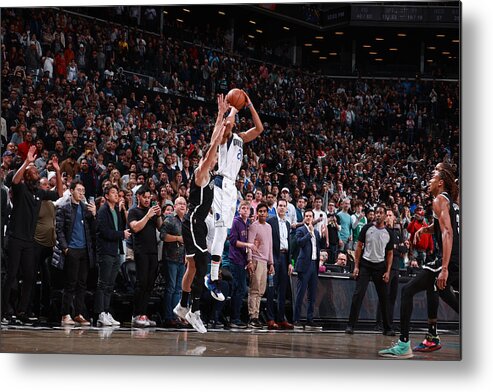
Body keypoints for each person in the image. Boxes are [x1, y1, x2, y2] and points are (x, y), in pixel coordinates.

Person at [379, 162, 460, 359]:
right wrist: (425, 229)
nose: (429, 180)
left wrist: (446, 267)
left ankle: (404, 344)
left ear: (440, 183)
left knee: (408, 290)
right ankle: (432, 336)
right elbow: (442, 226)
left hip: (450, 258)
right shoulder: (450, 200)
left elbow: (448, 232)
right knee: (436, 287)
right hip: (457, 256)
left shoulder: (439, 199)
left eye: (433, 177)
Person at [173, 94, 229, 333]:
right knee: (203, 264)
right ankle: (194, 311)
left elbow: (214, 143)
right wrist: (223, 118)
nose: (216, 158)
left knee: (193, 268)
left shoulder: (206, 172)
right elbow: (213, 145)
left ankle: (181, 306)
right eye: (213, 156)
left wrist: (220, 116)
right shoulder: (201, 172)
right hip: (193, 223)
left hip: (197, 225)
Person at [206, 90, 264, 301]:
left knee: (221, 234)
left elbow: (259, 128)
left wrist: (249, 105)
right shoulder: (226, 136)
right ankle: (212, 278)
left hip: (232, 189)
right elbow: (227, 126)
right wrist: (232, 108)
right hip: (221, 183)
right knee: (220, 233)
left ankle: (211, 274)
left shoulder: (240, 138)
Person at [2, 146, 63, 324]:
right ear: (28, 175)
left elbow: (59, 193)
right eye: (33, 170)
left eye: (36, 169)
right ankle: (4, 311)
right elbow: (14, 180)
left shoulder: (39, 192)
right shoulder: (20, 190)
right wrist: (27, 162)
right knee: (11, 275)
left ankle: (22, 311)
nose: (36, 171)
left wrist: (58, 171)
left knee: (29, 276)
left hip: (29, 241)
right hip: (14, 238)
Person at [345, 205, 395, 336]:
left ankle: (387, 328)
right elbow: (359, 247)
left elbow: (390, 253)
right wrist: (356, 266)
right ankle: (350, 326)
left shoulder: (389, 233)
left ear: (385, 216)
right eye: (376, 212)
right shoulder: (367, 228)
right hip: (366, 265)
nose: (378, 215)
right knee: (358, 295)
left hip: (380, 266)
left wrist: (388, 271)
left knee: (384, 298)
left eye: (380, 213)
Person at [56, 180, 97, 326]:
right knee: (70, 284)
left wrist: (94, 215)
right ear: (72, 190)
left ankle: (78, 313)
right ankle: (65, 314)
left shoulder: (85, 208)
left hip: (84, 251)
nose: (81, 193)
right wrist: (65, 248)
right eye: (79, 190)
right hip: (72, 250)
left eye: (83, 190)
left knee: (82, 284)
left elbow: (93, 230)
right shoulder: (64, 207)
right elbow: (59, 229)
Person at [94, 184, 131, 326]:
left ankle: (107, 311)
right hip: (106, 251)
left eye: (117, 193)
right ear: (106, 196)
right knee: (102, 283)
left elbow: (120, 227)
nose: (117, 195)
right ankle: (100, 313)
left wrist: (122, 212)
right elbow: (104, 232)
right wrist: (121, 234)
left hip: (116, 251)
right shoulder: (103, 211)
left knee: (110, 284)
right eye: (113, 193)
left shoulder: (116, 210)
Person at [127, 185, 163, 327]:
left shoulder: (152, 212)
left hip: (153, 250)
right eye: (145, 197)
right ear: (139, 197)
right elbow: (135, 227)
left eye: (149, 198)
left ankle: (143, 314)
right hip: (141, 251)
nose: (148, 200)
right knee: (141, 283)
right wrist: (147, 216)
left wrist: (158, 215)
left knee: (150, 284)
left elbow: (160, 227)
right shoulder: (133, 211)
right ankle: (136, 314)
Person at [293, 209, 324, 330]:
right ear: (304, 218)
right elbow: (299, 243)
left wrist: (322, 235)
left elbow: (319, 246)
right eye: (306, 216)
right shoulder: (300, 230)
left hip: (314, 264)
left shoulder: (316, 232)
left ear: (313, 217)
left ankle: (310, 319)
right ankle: (296, 319)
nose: (308, 218)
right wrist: (309, 233)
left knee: (312, 294)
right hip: (304, 265)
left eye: (310, 216)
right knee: (300, 293)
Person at [266, 198, 294, 329]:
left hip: (285, 257)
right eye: (280, 206)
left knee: (283, 290)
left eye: (284, 206)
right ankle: (270, 319)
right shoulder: (270, 221)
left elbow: (289, 243)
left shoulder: (288, 224)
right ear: (276, 208)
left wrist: (290, 262)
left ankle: (281, 318)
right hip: (274, 257)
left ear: (287, 209)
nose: (282, 208)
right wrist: (269, 260)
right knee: (272, 289)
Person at [159, 196, 187, 328]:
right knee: (170, 288)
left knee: (178, 289)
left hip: (182, 259)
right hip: (170, 258)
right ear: (174, 207)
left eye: (184, 204)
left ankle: (176, 316)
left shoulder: (187, 221)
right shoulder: (169, 219)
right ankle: (168, 317)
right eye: (179, 204)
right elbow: (162, 236)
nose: (182, 206)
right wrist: (177, 238)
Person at [246, 202, 273, 329]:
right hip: (256, 260)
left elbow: (270, 246)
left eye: (264, 211)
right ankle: (253, 317)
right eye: (260, 211)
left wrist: (271, 262)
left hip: (264, 261)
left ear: (267, 213)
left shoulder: (269, 227)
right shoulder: (253, 226)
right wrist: (250, 261)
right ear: (257, 213)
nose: (262, 213)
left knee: (261, 291)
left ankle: (256, 315)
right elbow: (249, 244)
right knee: (254, 290)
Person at [228, 200, 254, 329]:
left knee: (239, 289)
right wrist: (247, 245)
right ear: (239, 210)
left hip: (242, 260)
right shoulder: (236, 222)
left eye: (247, 208)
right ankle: (234, 318)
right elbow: (233, 241)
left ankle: (235, 317)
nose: (245, 210)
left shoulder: (247, 224)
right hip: (235, 259)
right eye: (243, 208)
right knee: (240, 288)